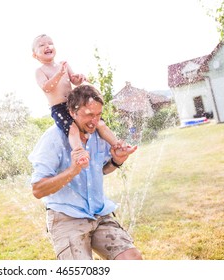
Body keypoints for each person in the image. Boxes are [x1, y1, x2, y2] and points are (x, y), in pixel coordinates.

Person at [28, 84, 142, 260]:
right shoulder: (53, 138)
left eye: (98, 115)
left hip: (99, 213)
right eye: (89, 114)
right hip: (66, 218)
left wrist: (116, 161)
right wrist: (73, 170)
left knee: (132, 259)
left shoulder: (98, 134)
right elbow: (37, 189)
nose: (94, 121)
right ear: (72, 113)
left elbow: (101, 170)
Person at [32, 34, 134, 165]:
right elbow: (47, 87)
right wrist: (59, 74)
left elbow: (74, 80)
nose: (47, 46)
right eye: (42, 45)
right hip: (59, 108)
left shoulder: (63, 64)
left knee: (100, 123)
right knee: (73, 129)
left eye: (50, 43)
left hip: (74, 104)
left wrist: (79, 78)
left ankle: (118, 145)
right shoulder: (40, 71)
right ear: (35, 55)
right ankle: (79, 152)